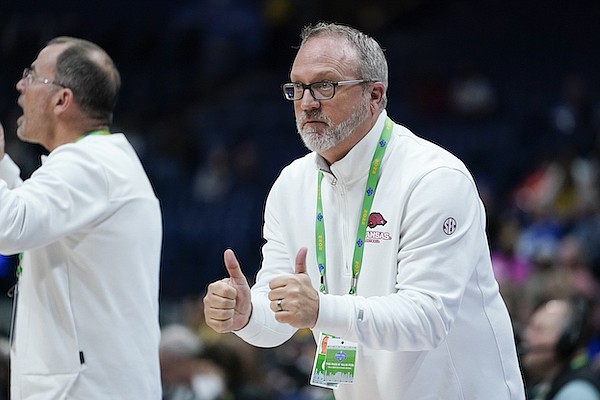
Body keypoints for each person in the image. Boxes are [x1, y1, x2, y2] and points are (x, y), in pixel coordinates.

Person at [203, 22, 525, 399]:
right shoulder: (291, 185)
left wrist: (321, 309)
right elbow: (281, 311)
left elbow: (426, 319)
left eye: (326, 85)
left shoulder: (434, 178)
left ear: (375, 94)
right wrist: (246, 315)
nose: (307, 102)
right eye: (297, 88)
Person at [0, 37, 162, 399]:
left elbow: (8, 228)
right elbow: (28, 212)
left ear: (62, 100)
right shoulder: (99, 161)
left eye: (32, 75)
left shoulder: (88, 162)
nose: (20, 84)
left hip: (87, 389)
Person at [520, 297, 600, 399]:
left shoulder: (577, 392)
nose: (526, 336)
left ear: (565, 341)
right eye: (529, 327)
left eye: (538, 330)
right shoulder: (543, 384)